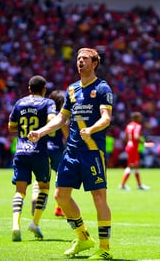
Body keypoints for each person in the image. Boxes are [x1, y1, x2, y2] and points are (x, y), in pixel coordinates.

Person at [28, 48, 113, 260]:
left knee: (98, 197)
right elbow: (61, 118)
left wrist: (91, 129)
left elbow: (106, 117)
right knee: (60, 196)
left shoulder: (102, 87)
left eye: (84, 59)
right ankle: (83, 237)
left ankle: (104, 248)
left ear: (94, 63)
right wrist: (40, 131)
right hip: (71, 151)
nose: (80, 62)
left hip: (92, 151)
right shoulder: (72, 89)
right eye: (78, 59)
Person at [8, 75, 56, 242]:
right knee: (44, 187)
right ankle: (35, 223)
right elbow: (51, 122)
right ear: (44, 89)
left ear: (29, 88)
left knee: (20, 191)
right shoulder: (48, 103)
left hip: (21, 151)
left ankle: (15, 225)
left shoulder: (19, 103)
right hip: (39, 152)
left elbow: (11, 126)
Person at [31, 90, 68, 217]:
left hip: (42, 149)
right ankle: (59, 207)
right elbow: (66, 133)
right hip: (57, 150)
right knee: (62, 178)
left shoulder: (43, 113)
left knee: (40, 177)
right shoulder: (61, 116)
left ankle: (35, 196)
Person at [119, 112, 152, 191]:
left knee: (136, 166)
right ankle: (122, 185)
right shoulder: (137, 126)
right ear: (136, 118)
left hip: (129, 147)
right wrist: (144, 143)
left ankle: (139, 185)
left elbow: (126, 138)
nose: (141, 119)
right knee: (131, 166)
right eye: (140, 117)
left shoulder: (128, 126)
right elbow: (136, 137)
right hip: (133, 148)